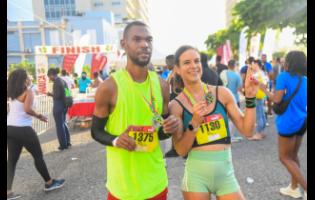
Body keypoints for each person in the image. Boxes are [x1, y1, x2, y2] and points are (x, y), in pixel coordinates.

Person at [90, 21, 181, 200]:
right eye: (137, 39)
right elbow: (96, 131)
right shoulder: (109, 87)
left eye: (149, 40)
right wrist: (116, 140)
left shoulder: (162, 86)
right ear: (124, 44)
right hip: (123, 188)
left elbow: (160, 133)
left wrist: (170, 127)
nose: (144, 44)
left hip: (156, 183)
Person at [169, 45, 258, 200]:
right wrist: (194, 122)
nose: (193, 66)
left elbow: (248, 131)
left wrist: (250, 98)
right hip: (196, 178)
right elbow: (181, 150)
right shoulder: (176, 105)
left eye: (196, 61)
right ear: (177, 68)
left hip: (226, 175)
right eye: (187, 62)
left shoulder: (222, 93)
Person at [7, 69, 65, 200]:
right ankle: (49, 183)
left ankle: (8, 191)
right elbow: (27, 109)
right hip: (23, 129)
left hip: (10, 128)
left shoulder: (12, 92)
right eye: (27, 76)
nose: (29, 78)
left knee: (11, 161)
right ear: (23, 79)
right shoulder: (28, 92)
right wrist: (40, 116)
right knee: (38, 156)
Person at [260, 51, 307, 200]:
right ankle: (293, 188)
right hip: (302, 121)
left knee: (284, 157)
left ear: (289, 62)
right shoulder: (306, 79)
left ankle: (305, 188)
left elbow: (277, 99)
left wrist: (263, 89)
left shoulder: (283, 77)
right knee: (293, 155)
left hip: (288, 122)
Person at [47, 68, 71, 150]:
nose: (49, 79)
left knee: (59, 125)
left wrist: (50, 94)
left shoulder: (56, 82)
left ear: (51, 75)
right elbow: (67, 93)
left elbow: (57, 96)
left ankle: (63, 145)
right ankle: (67, 142)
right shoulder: (63, 81)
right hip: (65, 105)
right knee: (64, 123)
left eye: (49, 77)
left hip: (58, 106)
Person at [223, 59, 243, 142]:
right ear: (234, 66)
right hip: (234, 98)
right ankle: (231, 136)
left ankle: (226, 135)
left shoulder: (223, 74)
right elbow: (239, 88)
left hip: (224, 98)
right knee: (233, 118)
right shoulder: (237, 75)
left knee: (225, 117)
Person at [248, 59, 268, 141]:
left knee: (259, 114)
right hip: (262, 94)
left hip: (257, 95)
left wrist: (250, 74)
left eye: (253, 64)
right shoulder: (262, 73)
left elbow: (252, 81)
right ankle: (262, 132)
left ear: (257, 65)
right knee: (262, 114)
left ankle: (258, 133)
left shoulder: (257, 74)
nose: (252, 66)